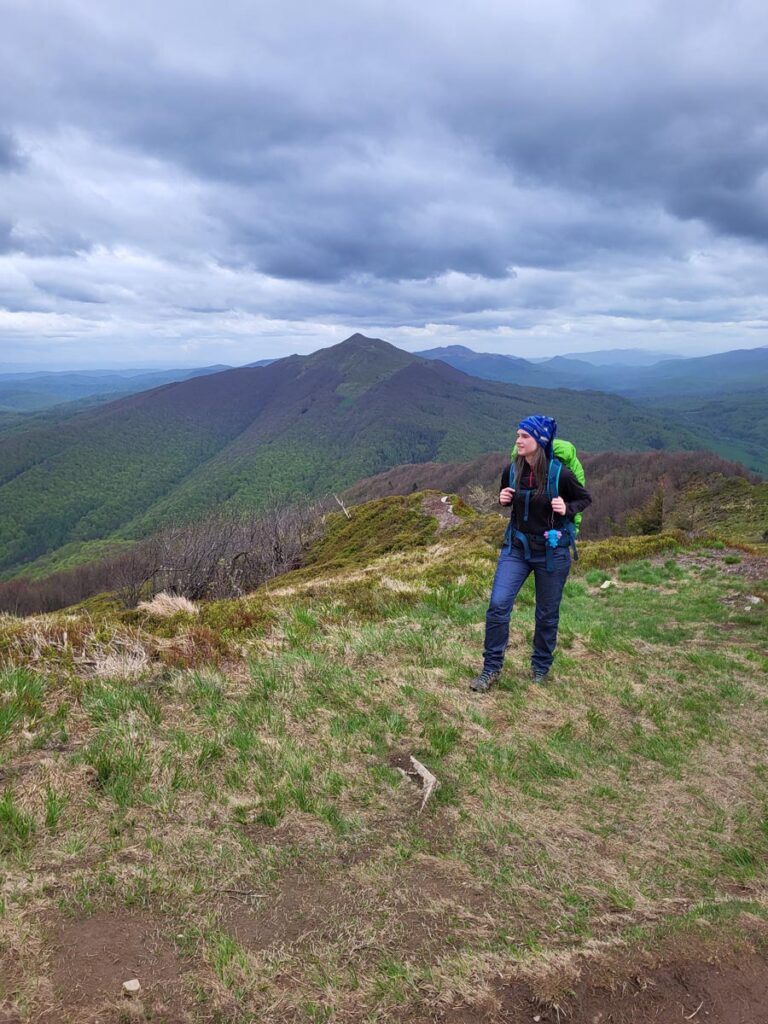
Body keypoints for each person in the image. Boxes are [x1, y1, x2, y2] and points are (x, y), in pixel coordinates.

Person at [470, 415, 591, 693]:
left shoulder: (561, 474)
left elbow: (584, 498)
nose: (518, 440)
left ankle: (540, 668)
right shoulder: (512, 470)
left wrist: (567, 508)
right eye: (518, 435)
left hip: (552, 552)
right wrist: (503, 499)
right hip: (517, 548)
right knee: (498, 604)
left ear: (540, 441)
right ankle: (491, 669)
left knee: (546, 614)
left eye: (524, 436)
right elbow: (507, 495)